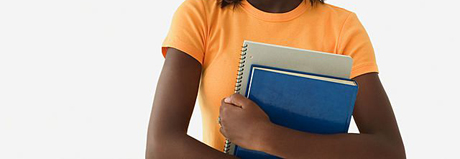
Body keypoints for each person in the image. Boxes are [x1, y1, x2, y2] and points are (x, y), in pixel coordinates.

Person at [146, 0, 406, 158]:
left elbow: (389, 151)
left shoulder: (342, 27)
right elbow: (161, 146)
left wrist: (264, 136)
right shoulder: (201, 13)